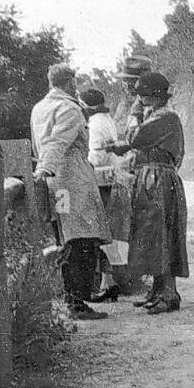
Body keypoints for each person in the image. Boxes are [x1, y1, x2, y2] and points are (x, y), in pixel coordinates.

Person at [31, 64, 112, 320]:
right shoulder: (70, 108)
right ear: (70, 83)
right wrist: (45, 168)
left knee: (66, 240)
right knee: (82, 241)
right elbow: (57, 142)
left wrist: (43, 172)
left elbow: (42, 143)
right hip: (72, 181)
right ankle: (77, 302)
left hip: (55, 183)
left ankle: (73, 299)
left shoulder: (39, 107)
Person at [104, 72, 189, 314]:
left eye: (142, 94)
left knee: (161, 234)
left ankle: (168, 294)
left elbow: (136, 137)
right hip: (154, 178)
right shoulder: (160, 116)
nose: (139, 98)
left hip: (158, 180)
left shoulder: (166, 117)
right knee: (153, 235)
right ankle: (158, 290)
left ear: (152, 95)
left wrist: (134, 114)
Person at [82, 88, 132, 302]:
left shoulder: (95, 124)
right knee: (115, 232)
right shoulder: (106, 119)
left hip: (104, 182)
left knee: (105, 231)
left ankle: (107, 281)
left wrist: (83, 165)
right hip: (115, 179)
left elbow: (97, 156)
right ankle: (112, 280)